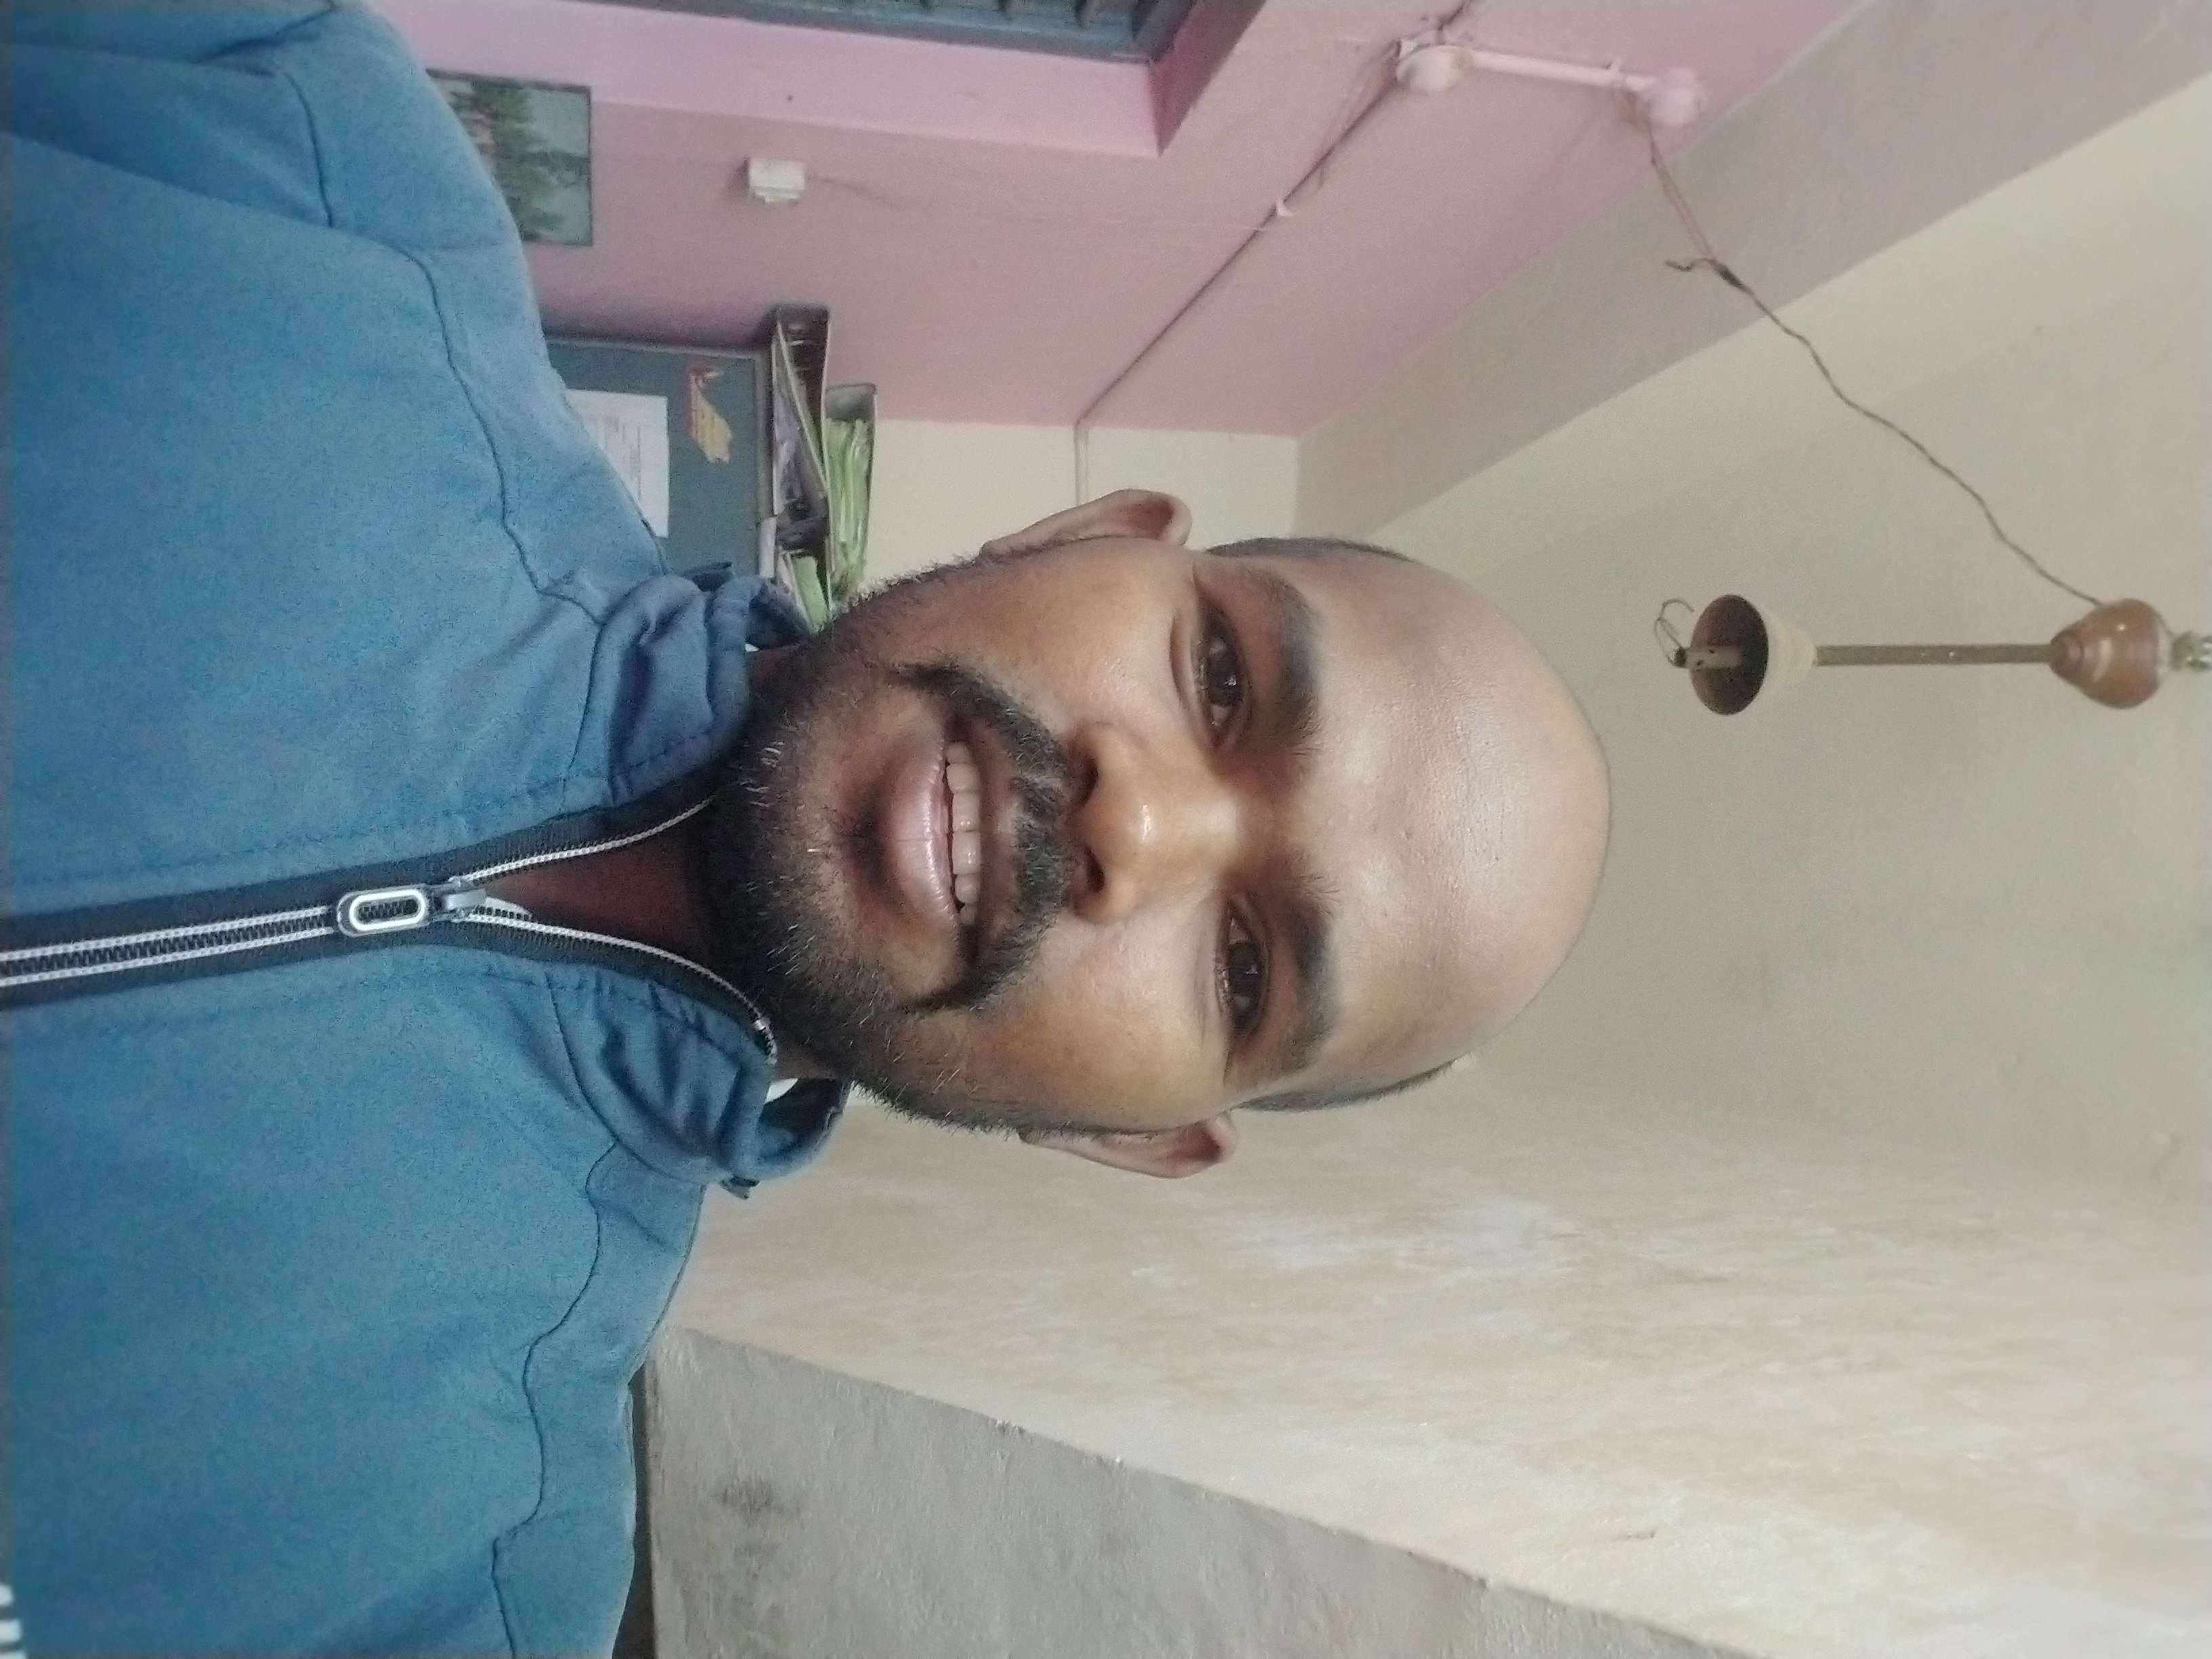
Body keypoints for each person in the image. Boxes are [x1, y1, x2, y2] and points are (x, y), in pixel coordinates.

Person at [2, 3, 1607, 1652]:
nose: (1139, 822)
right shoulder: (285, 148)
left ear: (1123, 1136)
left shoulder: (455, 1585)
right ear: (1086, 530)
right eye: (1219, 675)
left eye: (1246, 967)